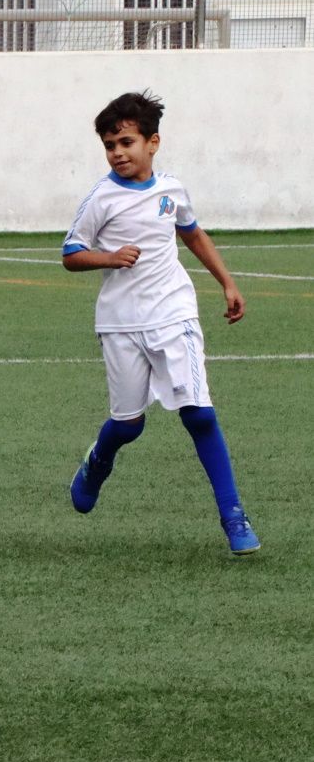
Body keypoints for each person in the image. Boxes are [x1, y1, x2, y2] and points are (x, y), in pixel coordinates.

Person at [62, 90, 259, 555]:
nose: (118, 153)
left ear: (153, 142)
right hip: (120, 322)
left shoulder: (172, 189)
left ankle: (234, 517)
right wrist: (108, 257)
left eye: (126, 142)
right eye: (110, 145)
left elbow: (192, 232)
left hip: (174, 313)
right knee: (128, 424)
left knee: (199, 414)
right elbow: (70, 254)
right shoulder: (100, 197)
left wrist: (227, 283)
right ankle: (97, 460)